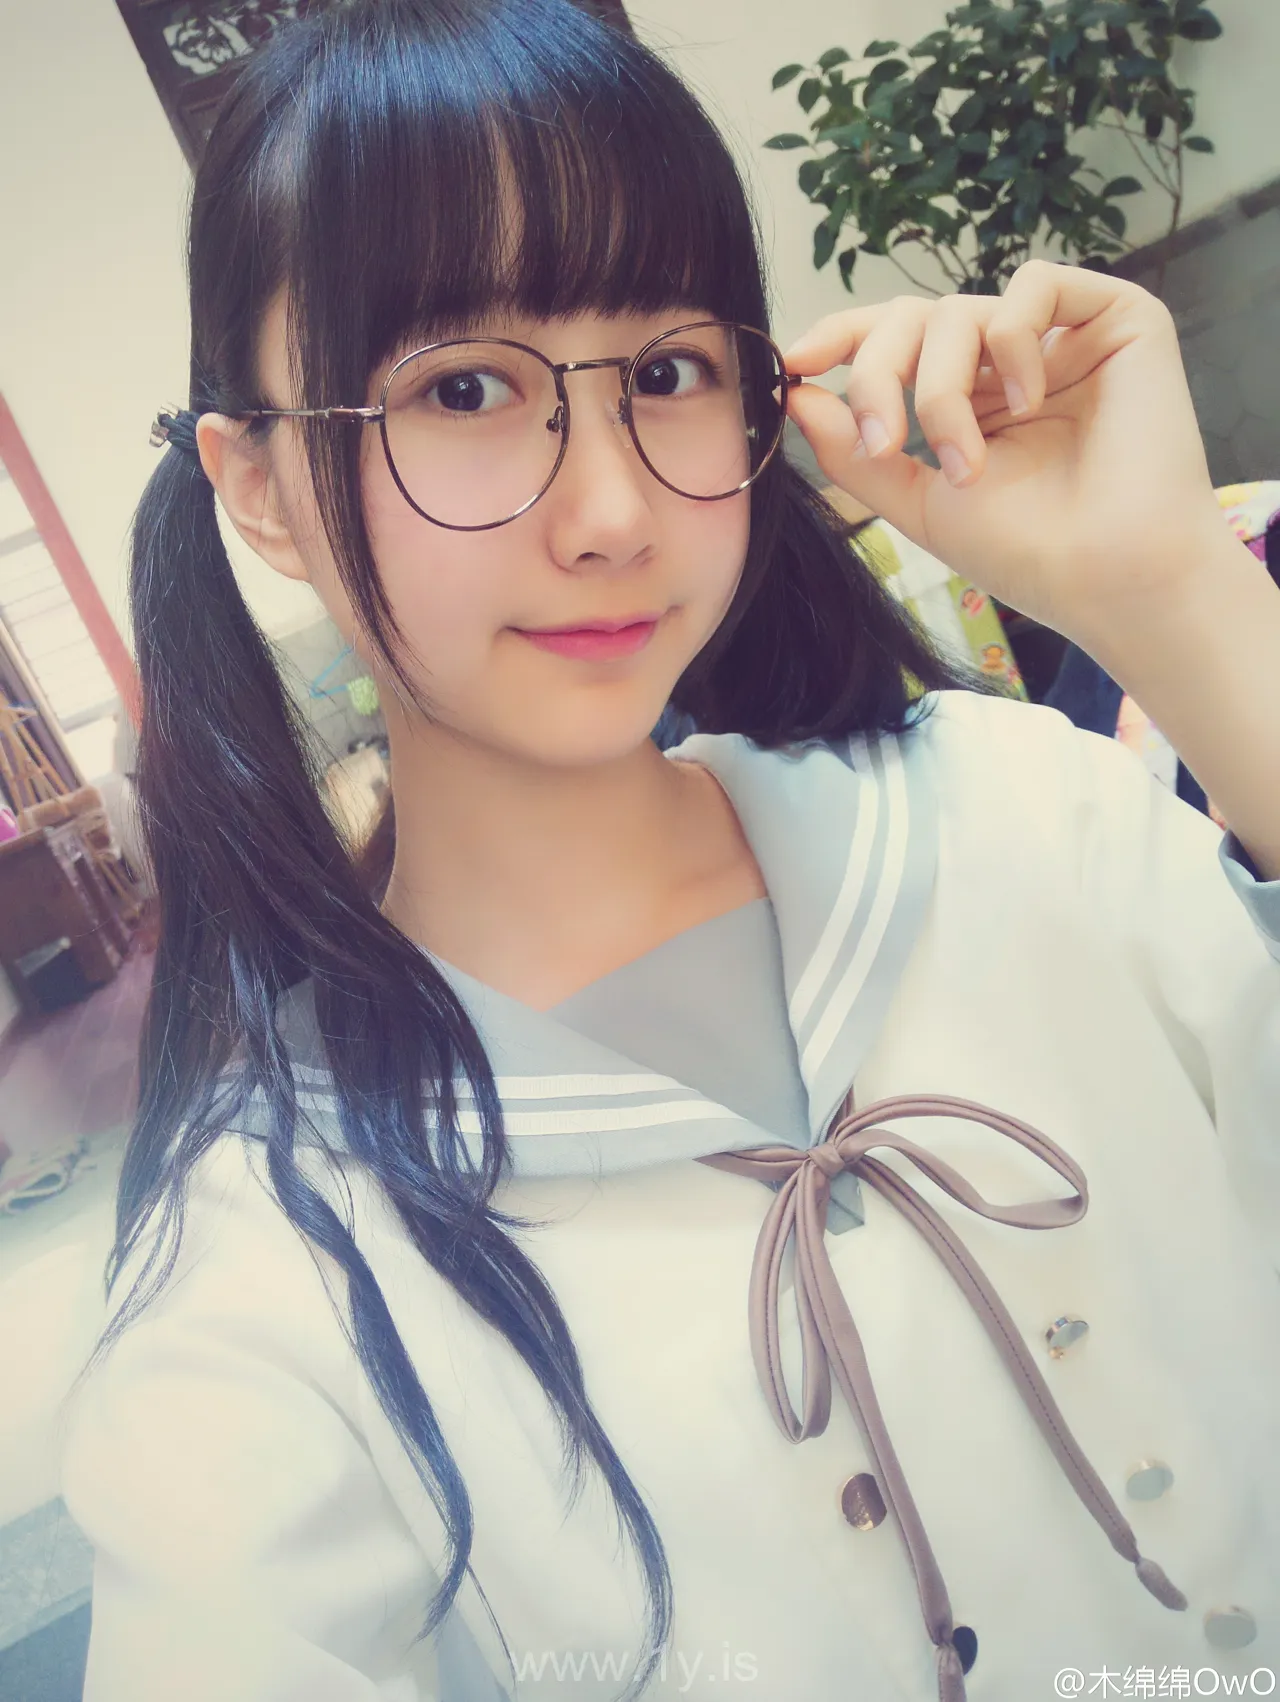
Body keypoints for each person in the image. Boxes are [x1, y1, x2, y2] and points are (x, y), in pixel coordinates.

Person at [57, 1, 1280, 1698]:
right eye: (463, 388)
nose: (615, 511)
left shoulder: (1019, 814)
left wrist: (1180, 602)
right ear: (255, 487)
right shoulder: (274, 1270)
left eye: (665, 372)